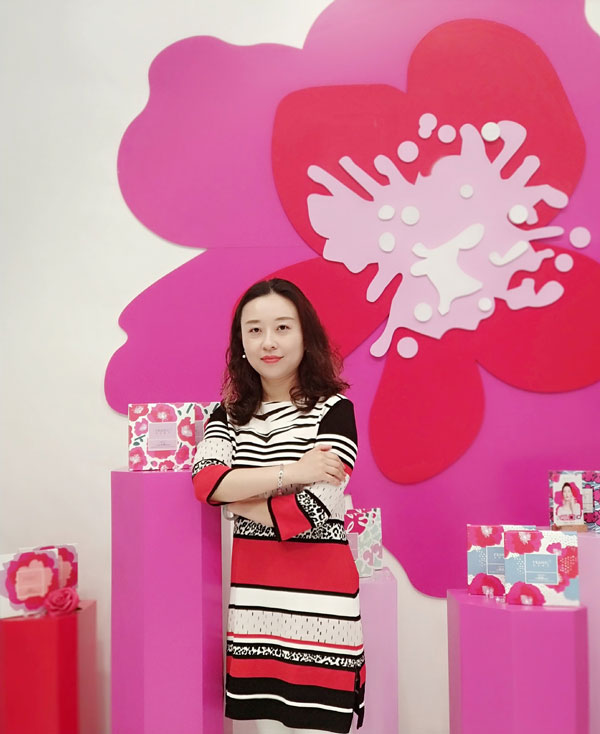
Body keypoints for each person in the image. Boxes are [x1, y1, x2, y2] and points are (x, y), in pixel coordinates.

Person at [192, 278, 365, 734]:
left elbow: (313, 509)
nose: (268, 342)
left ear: (306, 336)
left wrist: (237, 500)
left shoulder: (334, 410)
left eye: (282, 327)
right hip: (256, 609)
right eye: (254, 330)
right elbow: (207, 483)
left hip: (323, 608)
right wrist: (294, 471)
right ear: (240, 343)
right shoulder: (227, 414)